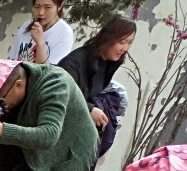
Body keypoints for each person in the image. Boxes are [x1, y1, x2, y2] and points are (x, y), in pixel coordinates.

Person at [58, 17, 137, 159]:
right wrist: (89, 109)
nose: (125, 48)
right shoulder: (76, 61)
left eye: (129, 43)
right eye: (121, 42)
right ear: (108, 38)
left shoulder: (108, 62)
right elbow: (58, 93)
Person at [7, 0, 74, 65]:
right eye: (37, 7)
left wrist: (40, 43)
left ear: (59, 7)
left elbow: (50, 70)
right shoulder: (26, 25)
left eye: (48, 7)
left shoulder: (64, 32)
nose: (41, 13)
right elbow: (12, 60)